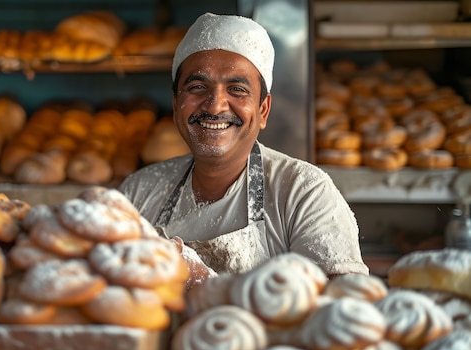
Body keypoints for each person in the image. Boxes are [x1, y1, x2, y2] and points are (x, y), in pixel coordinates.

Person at [119, 12, 369, 277]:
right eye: (197, 87)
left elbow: (343, 305)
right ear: (175, 105)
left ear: (263, 110)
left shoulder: (303, 191)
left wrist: (204, 283)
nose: (215, 106)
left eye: (236, 89)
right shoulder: (139, 193)